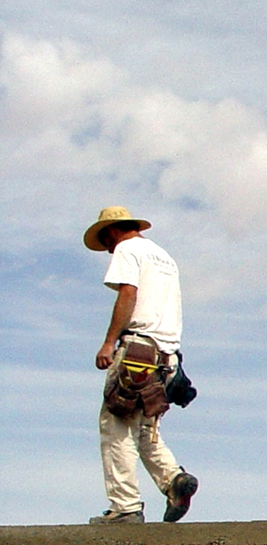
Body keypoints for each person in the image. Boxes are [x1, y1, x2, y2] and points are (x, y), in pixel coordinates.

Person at [85, 206, 199, 524]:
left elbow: (128, 295)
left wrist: (110, 342)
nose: (107, 247)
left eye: (105, 240)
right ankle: (174, 481)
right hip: (168, 357)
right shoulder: (164, 257)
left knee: (115, 424)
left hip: (138, 350)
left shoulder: (127, 249)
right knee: (144, 427)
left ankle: (125, 507)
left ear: (111, 231)